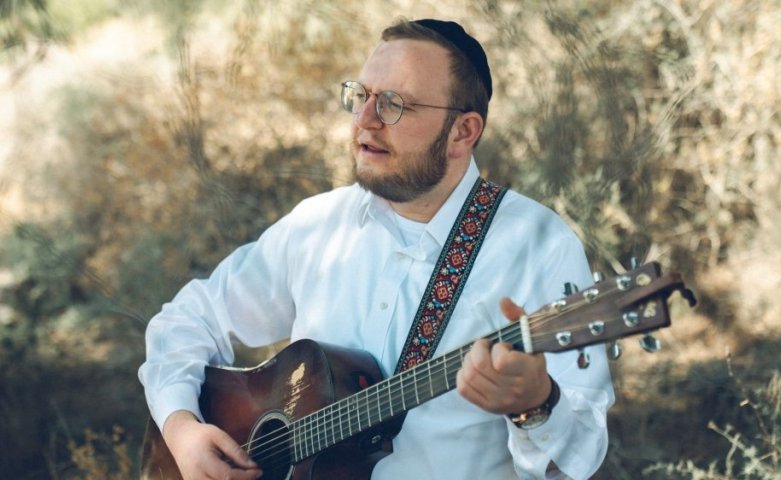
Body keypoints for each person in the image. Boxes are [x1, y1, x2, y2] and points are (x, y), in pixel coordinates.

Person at [139, 18, 614, 480]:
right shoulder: (318, 225)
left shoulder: (538, 246)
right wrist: (182, 429)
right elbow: (187, 319)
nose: (364, 120)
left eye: (393, 104)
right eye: (360, 96)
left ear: (463, 132)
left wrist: (536, 405)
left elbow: (579, 459)